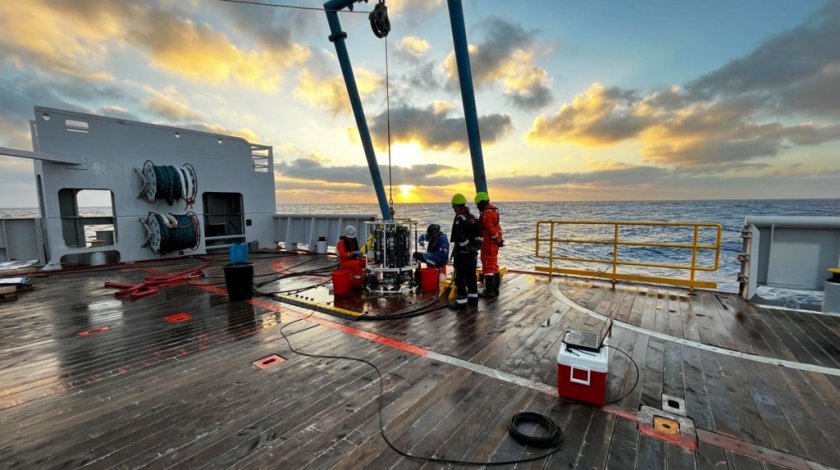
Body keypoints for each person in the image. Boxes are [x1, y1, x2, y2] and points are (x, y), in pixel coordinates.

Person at [449, 193, 480, 310]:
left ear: (456, 206)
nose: (453, 209)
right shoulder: (473, 217)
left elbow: (458, 237)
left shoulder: (459, 218)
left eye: (453, 206)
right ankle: (473, 299)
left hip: (462, 255)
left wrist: (467, 247)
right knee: (471, 276)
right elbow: (480, 235)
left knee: (460, 278)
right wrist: (475, 248)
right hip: (472, 255)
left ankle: (461, 302)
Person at [475, 192, 504, 298]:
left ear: (482, 203)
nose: (477, 206)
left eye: (478, 204)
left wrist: (495, 239)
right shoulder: (494, 211)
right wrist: (498, 240)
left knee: (488, 267)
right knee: (494, 266)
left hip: (489, 244)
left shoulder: (486, 213)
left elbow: (490, 229)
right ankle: (495, 290)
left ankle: (489, 291)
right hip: (494, 244)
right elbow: (497, 228)